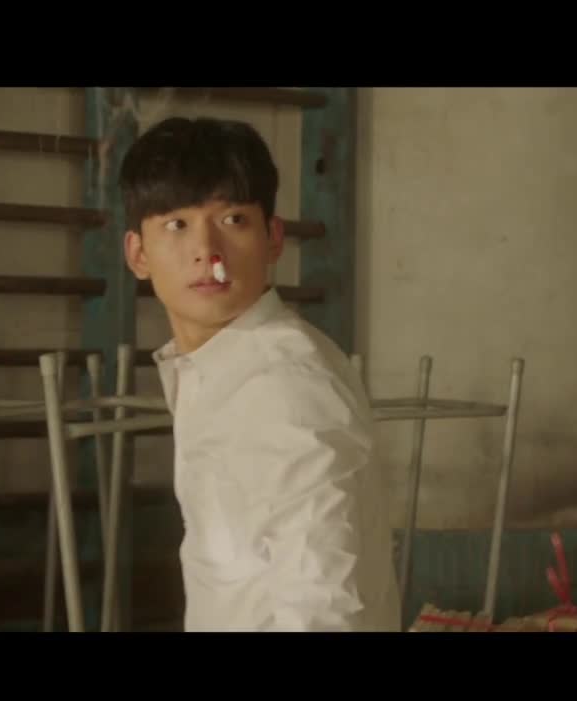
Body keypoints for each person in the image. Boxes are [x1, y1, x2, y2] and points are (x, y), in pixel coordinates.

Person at [118, 116, 401, 631]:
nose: (207, 251)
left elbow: (322, 609)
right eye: (177, 225)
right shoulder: (220, 370)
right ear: (139, 254)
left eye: (233, 220)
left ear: (273, 239)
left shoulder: (282, 385)